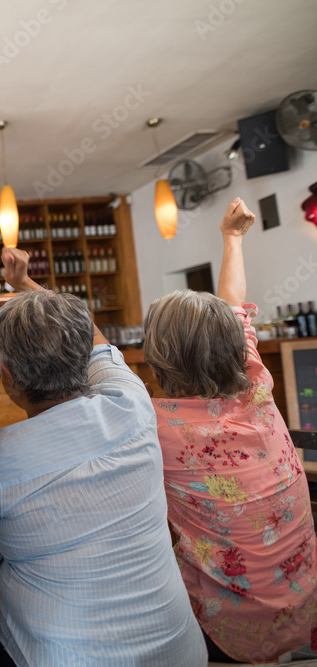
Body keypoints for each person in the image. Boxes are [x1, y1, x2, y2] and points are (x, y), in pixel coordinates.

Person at [0, 246, 207, 666]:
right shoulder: (134, 405)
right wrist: (26, 285)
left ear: (7, 378)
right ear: (85, 361)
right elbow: (99, 344)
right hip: (181, 652)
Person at [143, 198, 317, 663]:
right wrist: (233, 238)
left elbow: (94, 356)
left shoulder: (155, 426)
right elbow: (235, 306)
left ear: (157, 359)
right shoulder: (256, 385)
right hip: (306, 609)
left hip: (232, 635)